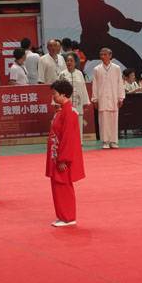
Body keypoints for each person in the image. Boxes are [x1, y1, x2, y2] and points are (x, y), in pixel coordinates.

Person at [76, 0, 142, 76]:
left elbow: (119, 22)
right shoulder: (85, 3)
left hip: (95, 41)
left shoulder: (104, 8)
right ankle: (137, 73)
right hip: (92, 41)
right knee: (123, 50)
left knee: (125, 51)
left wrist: (138, 24)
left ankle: (137, 75)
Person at [47, 79, 85, 227]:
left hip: (62, 157)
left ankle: (68, 217)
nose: (53, 97)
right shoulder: (61, 111)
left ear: (63, 94)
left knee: (63, 185)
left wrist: (63, 159)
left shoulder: (69, 112)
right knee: (57, 185)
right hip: (56, 154)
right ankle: (63, 215)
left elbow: (68, 138)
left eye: (55, 94)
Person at [91, 48, 125, 149]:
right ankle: (105, 141)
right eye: (101, 54)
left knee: (114, 120)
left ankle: (113, 141)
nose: (102, 56)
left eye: (105, 54)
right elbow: (95, 85)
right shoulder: (97, 69)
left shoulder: (116, 68)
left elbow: (120, 83)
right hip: (102, 98)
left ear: (110, 55)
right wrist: (95, 99)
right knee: (103, 120)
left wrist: (121, 98)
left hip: (114, 97)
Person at [59, 52, 90, 141]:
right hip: (66, 104)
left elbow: (83, 87)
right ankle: (68, 142)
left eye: (71, 61)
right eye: (67, 61)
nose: (69, 62)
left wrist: (86, 101)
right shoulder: (62, 74)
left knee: (78, 123)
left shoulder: (79, 73)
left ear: (75, 63)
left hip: (78, 103)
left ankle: (79, 142)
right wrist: (57, 103)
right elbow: (58, 89)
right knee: (67, 124)